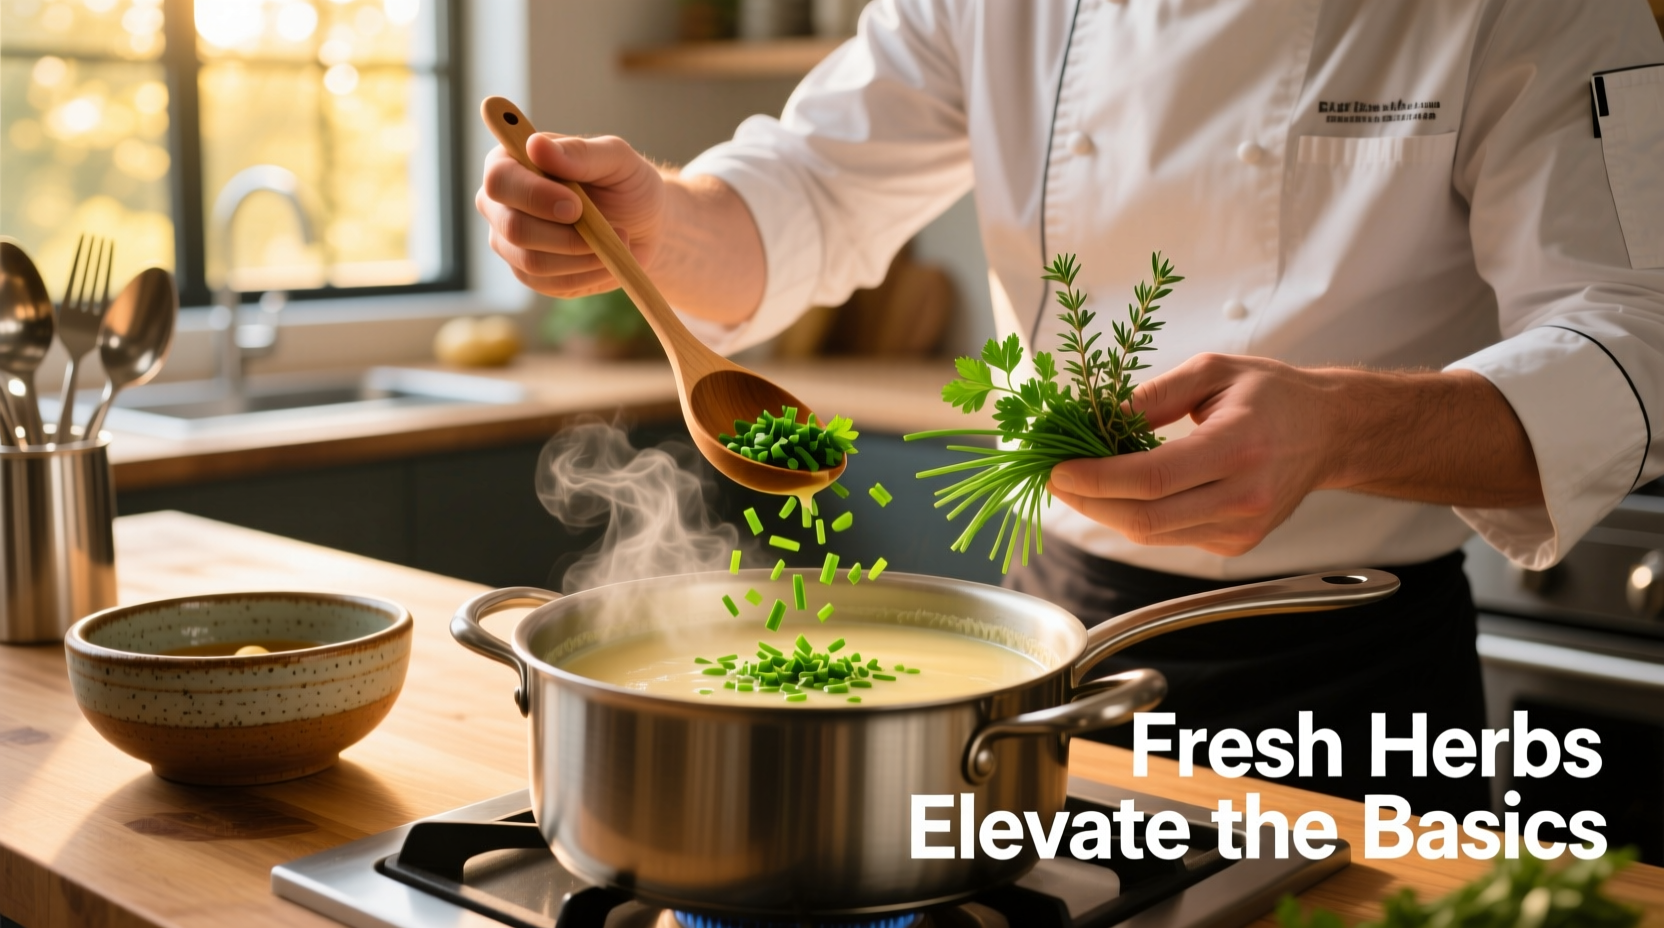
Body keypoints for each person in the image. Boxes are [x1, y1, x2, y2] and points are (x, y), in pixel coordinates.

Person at [477, 1, 1664, 814]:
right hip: (1050, 656)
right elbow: (806, 190)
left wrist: (1341, 427)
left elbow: (1631, 337)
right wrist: (655, 226)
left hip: (1353, 664)